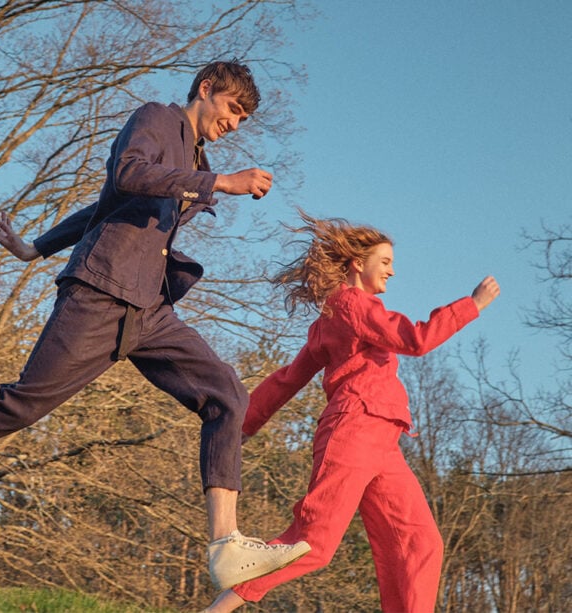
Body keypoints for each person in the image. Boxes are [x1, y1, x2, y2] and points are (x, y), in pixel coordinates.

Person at [0, 60, 310, 590]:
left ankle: (225, 544)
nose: (235, 122)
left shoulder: (195, 157)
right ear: (206, 90)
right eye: (233, 109)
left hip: (150, 309)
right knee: (24, 401)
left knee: (226, 391)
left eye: (244, 118)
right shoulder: (158, 118)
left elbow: (103, 207)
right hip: (99, 292)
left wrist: (35, 246)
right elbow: (127, 175)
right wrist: (219, 182)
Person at [203, 211, 500, 612]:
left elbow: (289, 377)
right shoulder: (352, 304)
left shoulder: (333, 315)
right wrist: (472, 305)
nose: (393, 272)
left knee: (419, 541)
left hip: (384, 440)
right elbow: (414, 339)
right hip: (355, 429)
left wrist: (245, 423)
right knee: (312, 544)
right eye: (386, 262)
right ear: (357, 264)